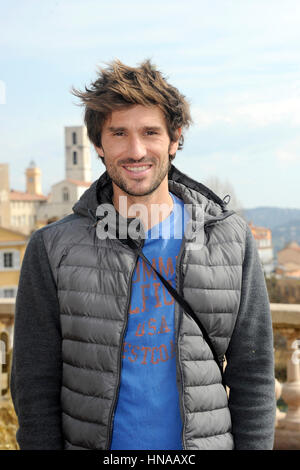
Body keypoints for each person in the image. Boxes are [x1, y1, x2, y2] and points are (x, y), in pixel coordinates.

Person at [10, 59, 276, 450]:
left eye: (150, 132)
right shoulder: (50, 248)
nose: (136, 150)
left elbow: (253, 374)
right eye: (119, 133)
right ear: (99, 145)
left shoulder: (230, 238)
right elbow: (34, 386)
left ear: (175, 138)